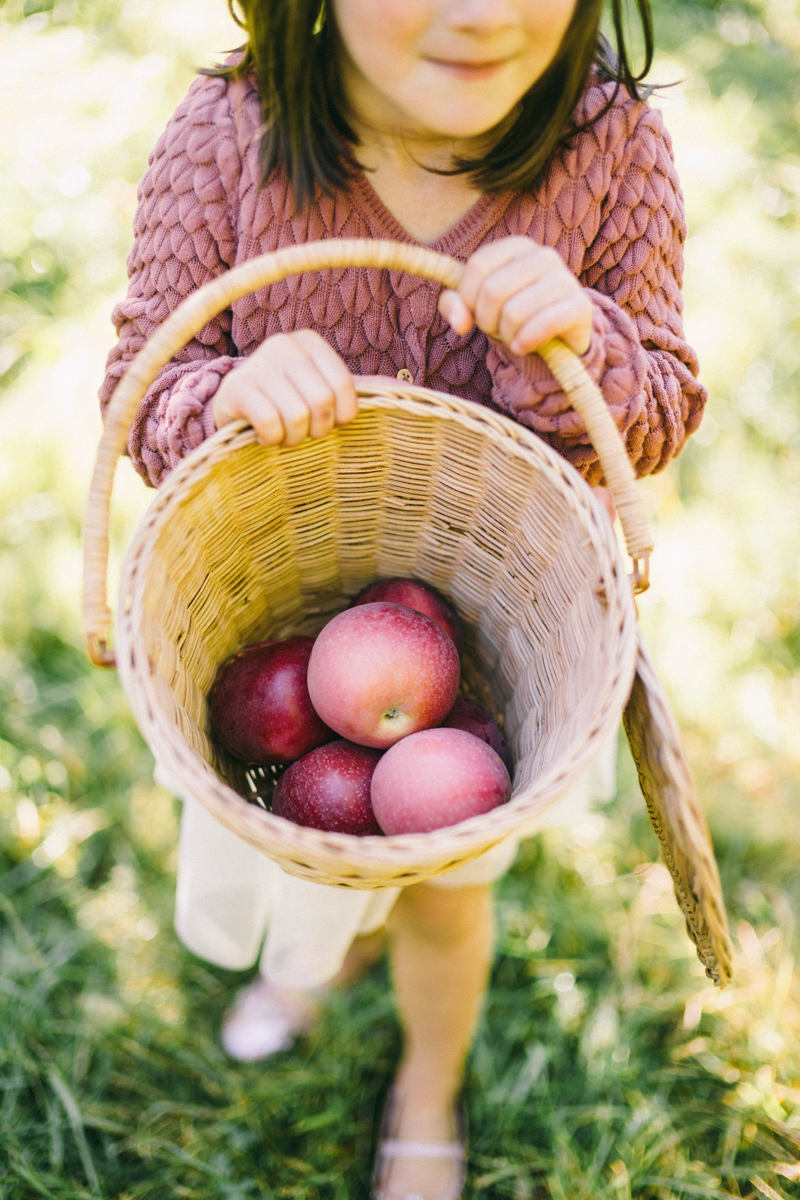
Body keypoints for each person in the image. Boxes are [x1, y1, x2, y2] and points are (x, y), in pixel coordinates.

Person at [100, 1, 707, 1196]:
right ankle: (317, 959)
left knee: (440, 889)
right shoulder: (230, 135)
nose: (480, 12)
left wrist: (577, 338)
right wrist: (223, 393)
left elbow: (658, 411)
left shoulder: (609, 143)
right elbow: (143, 382)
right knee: (313, 847)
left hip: (484, 654)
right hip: (286, 626)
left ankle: (426, 1080)